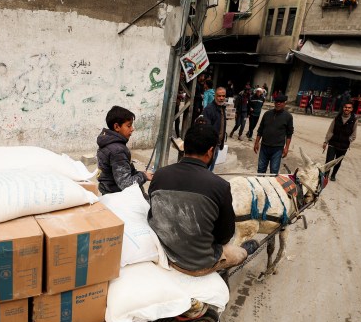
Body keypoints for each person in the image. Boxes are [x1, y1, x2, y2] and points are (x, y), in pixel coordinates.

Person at [147, 124, 258, 276]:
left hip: (166, 252)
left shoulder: (159, 175)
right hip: (198, 264)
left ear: (184, 146)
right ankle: (245, 250)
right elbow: (224, 236)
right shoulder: (220, 186)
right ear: (210, 151)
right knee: (239, 253)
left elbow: (153, 212)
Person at [96, 105, 153, 195]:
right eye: (129, 126)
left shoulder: (107, 143)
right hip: (118, 197)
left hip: (109, 192)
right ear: (117, 127)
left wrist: (138, 173)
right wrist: (143, 176)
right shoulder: (117, 151)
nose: (132, 129)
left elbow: (119, 172)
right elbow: (125, 184)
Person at [254, 94, 293, 174]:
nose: (278, 103)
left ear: (284, 103)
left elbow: (289, 134)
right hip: (264, 147)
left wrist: (286, 148)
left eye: (281, 102)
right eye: (276, 102)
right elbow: (260, 129)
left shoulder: (288, 117)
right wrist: (256, 142)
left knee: (274, 171)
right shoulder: (267, 114)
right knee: (260, 170)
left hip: (277, 149)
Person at [322, 102, 357, 181]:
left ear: (351, 109)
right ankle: (326, 175)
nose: (347, 109)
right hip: (333, 143)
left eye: (349, 108)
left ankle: (333, 175)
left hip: (343, 146)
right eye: (345, 107)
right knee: (329, 160)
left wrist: (348, 140)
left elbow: (354, 134)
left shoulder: (354, 120)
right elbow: (330, 130)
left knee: (338, 162)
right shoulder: (337, 118)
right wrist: (326, 141)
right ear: (343, 108)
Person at [202, 87, 228, 171]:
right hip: (210, 146)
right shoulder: (209, 109)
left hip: (217, 144)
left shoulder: (222, 108)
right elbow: (205, 129)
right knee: (206, 168)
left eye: (223, 96)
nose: (221, 98)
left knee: (211, 168)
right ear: (215, 96)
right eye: (219, 96)